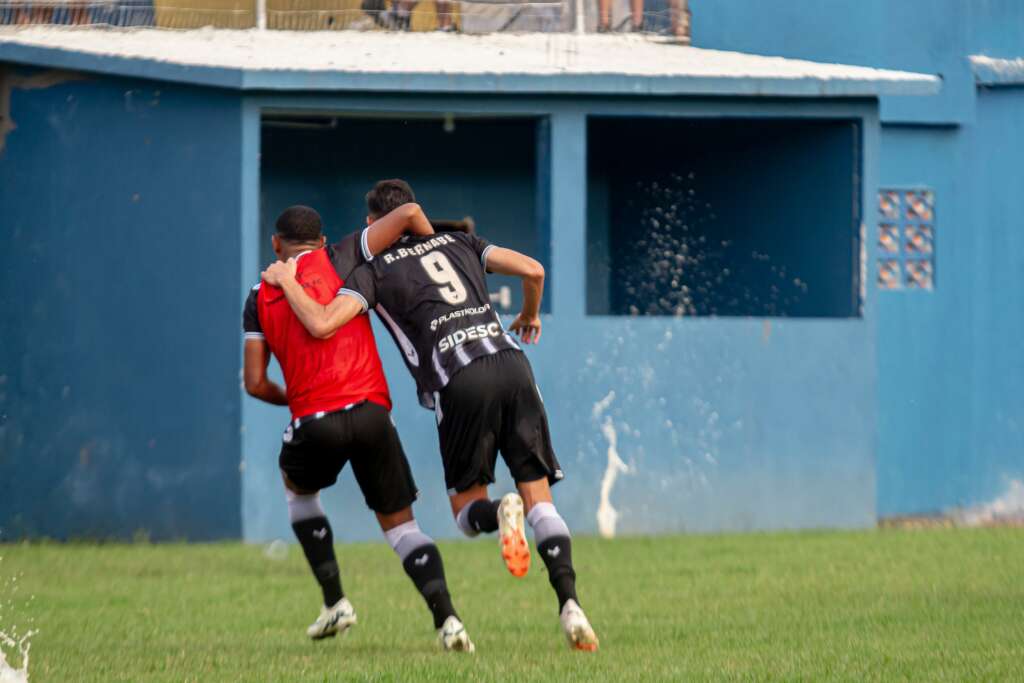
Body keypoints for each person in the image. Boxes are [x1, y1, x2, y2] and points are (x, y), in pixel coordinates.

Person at [262, 180, 599, 651]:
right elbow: (534, 270)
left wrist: (289, 282)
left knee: (466, 513)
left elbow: (321, 324)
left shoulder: (372, 271)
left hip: (458, 377)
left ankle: (499, 513)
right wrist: (529, 315)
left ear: (371, 224)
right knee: (541, 499)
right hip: (512, 363)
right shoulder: (461, 242)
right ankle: (571, 607)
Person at [243, 203, 474, 652]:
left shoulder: (258, 296)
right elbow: (408, 212)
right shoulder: (346, 255)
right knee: (402, 528)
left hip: (314, 420)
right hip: (372, 414)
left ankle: (335, 602)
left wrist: (303, 397)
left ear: (276, 244)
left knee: (297, 487)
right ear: (321, 238)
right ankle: (449, 622)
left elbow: (255, 383)